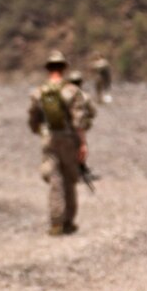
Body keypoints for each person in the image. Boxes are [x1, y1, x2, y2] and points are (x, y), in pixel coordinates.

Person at [28, 51, 94, 236]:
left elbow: (33, 119)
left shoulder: (39, 92)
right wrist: (83, 144)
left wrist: (42, 132)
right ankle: (69, 222)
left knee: (54, 180)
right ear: (64, 68)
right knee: (69, 180)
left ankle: (56, 222)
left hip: (49, 140)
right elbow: (78, 120)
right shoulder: (72, 91)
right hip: (69, 139)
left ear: (48, 69)